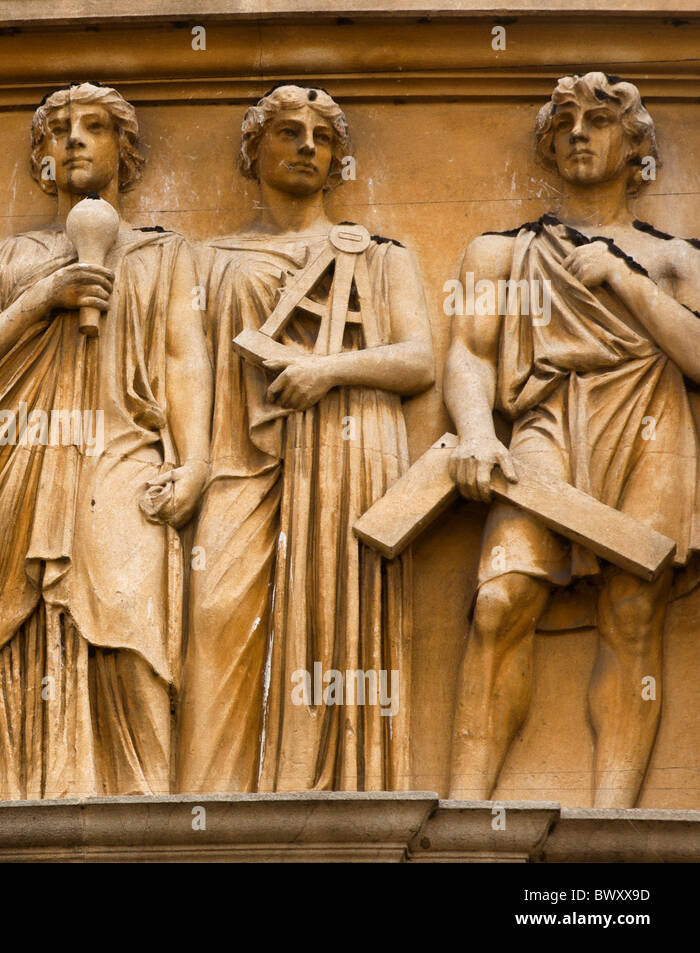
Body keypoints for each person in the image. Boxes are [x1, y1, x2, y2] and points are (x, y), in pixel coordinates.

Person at [0, 82, 212, 799]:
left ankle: (143, 804)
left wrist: (196, 460)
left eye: (93, 127)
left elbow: (185, 359)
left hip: (124, 453)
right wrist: (44, 296)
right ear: (42, 157)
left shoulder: (164, 255)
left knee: (130, 626)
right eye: (59, 130)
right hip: (15, 460)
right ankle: (23, 796)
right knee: (23, 631)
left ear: (125, 151)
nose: (74, 139)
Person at [445, 73, 700, 807]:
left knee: (632, 610)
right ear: (550, 145)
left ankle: (612, 818)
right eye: (565, 123)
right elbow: (466, 351)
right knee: (501, 596)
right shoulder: (500, 254)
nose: (580, 133)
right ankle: (466, 811)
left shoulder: (673, 259)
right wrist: (471, 434)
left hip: (651, 421)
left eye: (598, 120)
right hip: (546, 421)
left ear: (635, 144)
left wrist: (624, 280)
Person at [178, 86, 433, 793]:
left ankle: (333, 789)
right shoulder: (206, 259)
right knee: (215, 615)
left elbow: (418, 360)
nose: (307, 146)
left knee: (335, 627)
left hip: (348, 451)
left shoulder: (380, 255)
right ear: (252, 150)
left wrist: (328, 372)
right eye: (287, 132)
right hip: (235, 462)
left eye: (322, 137)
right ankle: (205, 808)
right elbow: (184, 363)